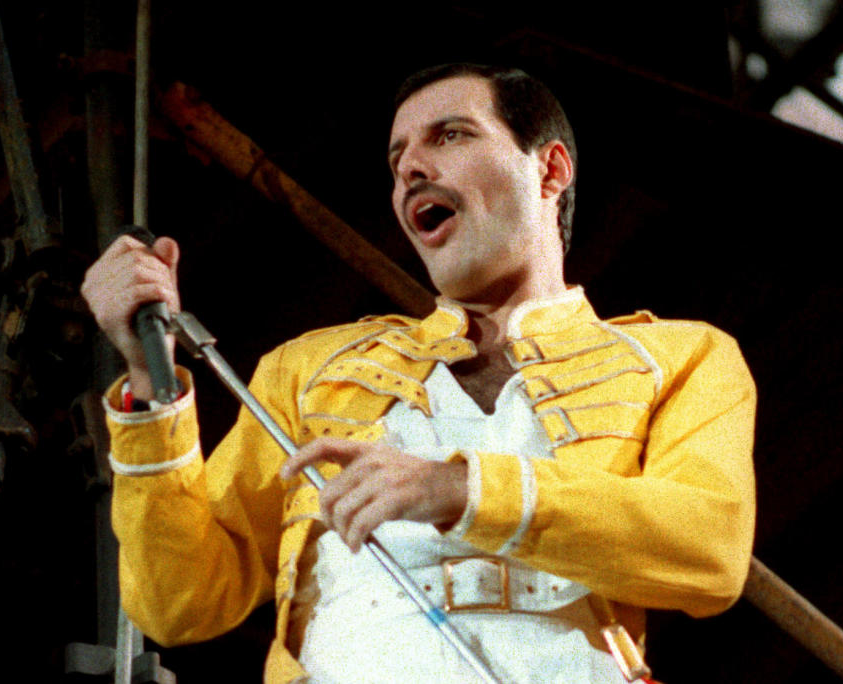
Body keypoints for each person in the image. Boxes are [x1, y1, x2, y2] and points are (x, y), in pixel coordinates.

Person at [81, 63, 756, 683]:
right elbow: (180, 601)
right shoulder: (310, 367)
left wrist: (458, 488)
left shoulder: (682, 356)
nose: (411, 169)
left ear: (550, 171)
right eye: (398, 157)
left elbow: (709, 549)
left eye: (451, 135)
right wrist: (150, 381)